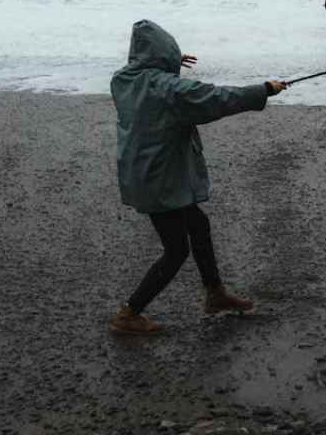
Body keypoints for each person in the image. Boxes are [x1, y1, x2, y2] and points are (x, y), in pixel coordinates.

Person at [108, 19, 287, 334]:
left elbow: (152, 79)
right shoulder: (167, 89)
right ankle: (129, 313)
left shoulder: (123, 81)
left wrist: (169, 62)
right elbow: (216, 98)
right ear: (162, 55)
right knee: (176, 250)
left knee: (198, 224)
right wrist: (263, 90)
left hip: (146, 173)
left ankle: (215, 293)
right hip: (159, 180)